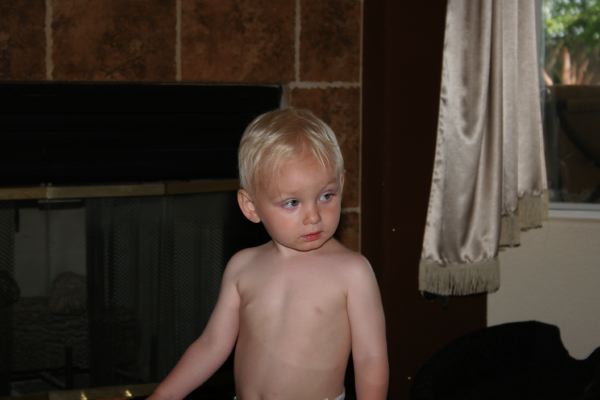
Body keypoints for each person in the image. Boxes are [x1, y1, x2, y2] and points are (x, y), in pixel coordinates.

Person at [148, 108, 388, 400]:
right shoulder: (242, 267)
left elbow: (370, 358)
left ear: (342, 185)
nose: (314, 216)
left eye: (326, 196)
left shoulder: (352, 272)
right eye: (292, 202)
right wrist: (163, 395)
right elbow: (212, 344)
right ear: (251, 207)